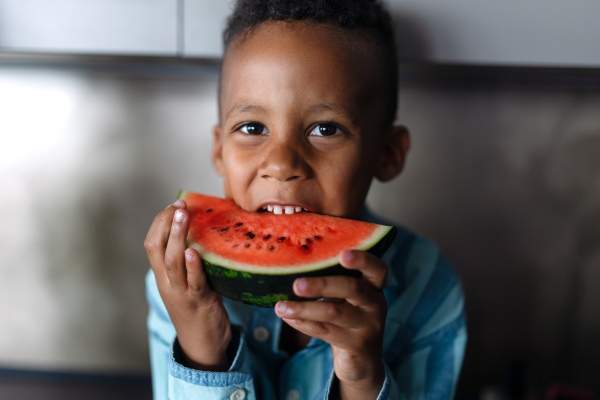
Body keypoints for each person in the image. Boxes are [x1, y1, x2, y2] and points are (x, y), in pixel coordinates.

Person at [144, 0, 467, 399]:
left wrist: (363, 379)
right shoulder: (181, 279)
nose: (281, 164)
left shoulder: (428, 287)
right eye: (252, 127)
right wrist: (202, 348)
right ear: (219, 151)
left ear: (387, 153)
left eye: (326, 129)